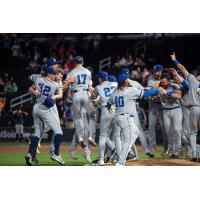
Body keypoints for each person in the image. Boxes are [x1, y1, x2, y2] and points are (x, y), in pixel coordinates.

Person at [25, 66, 75, 166]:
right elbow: (59, 95)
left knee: (37, 133)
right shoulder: (55, 85)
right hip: (45, 109)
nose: (55, 75)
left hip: (36, 108)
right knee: (59, 132)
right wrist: (67, 83)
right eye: (53, 74)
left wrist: (34, 90)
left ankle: (29, 154)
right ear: (49, 74)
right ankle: (55, 154)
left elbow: (30, 78)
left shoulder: (38, 79)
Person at [107, 74, 159, 166]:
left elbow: (108, 102)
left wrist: (109, 109)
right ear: (125, 81)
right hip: (126, 118)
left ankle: (122, 153)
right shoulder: (130, 90)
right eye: (126, 79)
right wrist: (157, 89)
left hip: (118, 118)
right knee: (128, 140)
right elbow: (146, 94)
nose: (128, 80)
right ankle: (121, 162)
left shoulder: (116, 91)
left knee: (136, 132)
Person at [170, 52, 200, 161]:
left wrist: (175, 60)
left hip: (194, 109)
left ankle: (195, 155)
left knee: (192, 133)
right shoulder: (193, 81)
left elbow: (182, 69)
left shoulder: (193, 81)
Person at [65, 56, 92, 148]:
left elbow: (67, 85)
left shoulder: (71, 72)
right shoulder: (88, 71)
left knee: (77, 117)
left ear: (75, 62)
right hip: (86, 94)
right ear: (82, 62)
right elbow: (89, 84)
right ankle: (89, 136)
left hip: (76, 94)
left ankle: (80, 137)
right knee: (87, 116)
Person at [157, 73, 183, 158]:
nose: (163, 83)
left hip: (176, 109)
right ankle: (171, 149)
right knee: (168, 131)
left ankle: (178, 150)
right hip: (165, 111)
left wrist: (167, 93)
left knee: (177, 130)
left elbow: (178, 96)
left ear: (168, 81)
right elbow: (153, 95)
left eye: (164, 82)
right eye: (162, 82)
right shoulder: (160, 87)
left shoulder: (174, 86)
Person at [147, 65, 167, 154]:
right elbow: (150, 93)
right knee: (151, 126)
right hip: (153, 105)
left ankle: (166, 148)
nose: (155, 73)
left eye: (157, 71)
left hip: (163, 106)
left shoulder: (165, 80)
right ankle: (151, 148)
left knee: (164, 127)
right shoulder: (150, 80)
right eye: (155, 71)